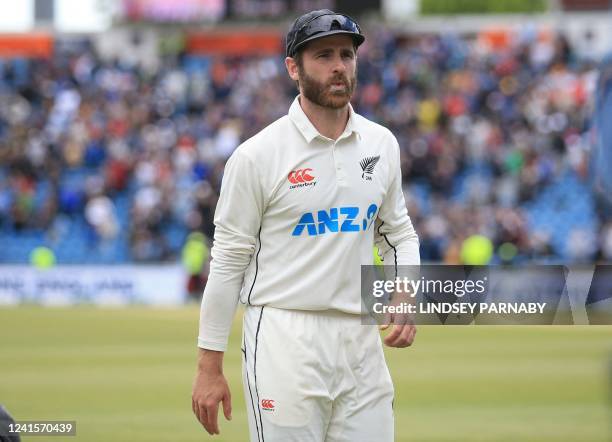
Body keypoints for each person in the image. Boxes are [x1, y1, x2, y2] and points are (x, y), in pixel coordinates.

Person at [192, 9, 420, 441]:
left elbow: (399, 234)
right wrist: (209, 367)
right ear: (293, 68)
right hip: (284, 338)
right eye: (323, 56)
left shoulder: (381, 143)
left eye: (346, 55)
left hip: (361, 340)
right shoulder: (257, 156)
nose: (338, 66)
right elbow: (226, 265)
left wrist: (404, 291)